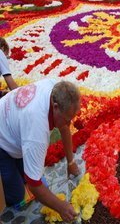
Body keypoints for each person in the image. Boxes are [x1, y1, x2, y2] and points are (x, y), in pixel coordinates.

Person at [0, 78, 81, 223]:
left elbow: (64, 128)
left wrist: (71, 161)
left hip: (16, 131)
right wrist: (61, 207)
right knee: (18, 196)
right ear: (55, 107)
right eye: (67, 119)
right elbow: (33, 184)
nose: (68, 123)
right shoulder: (37, 130)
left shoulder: (56, 89)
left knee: (43, 184)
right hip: (3, 144)